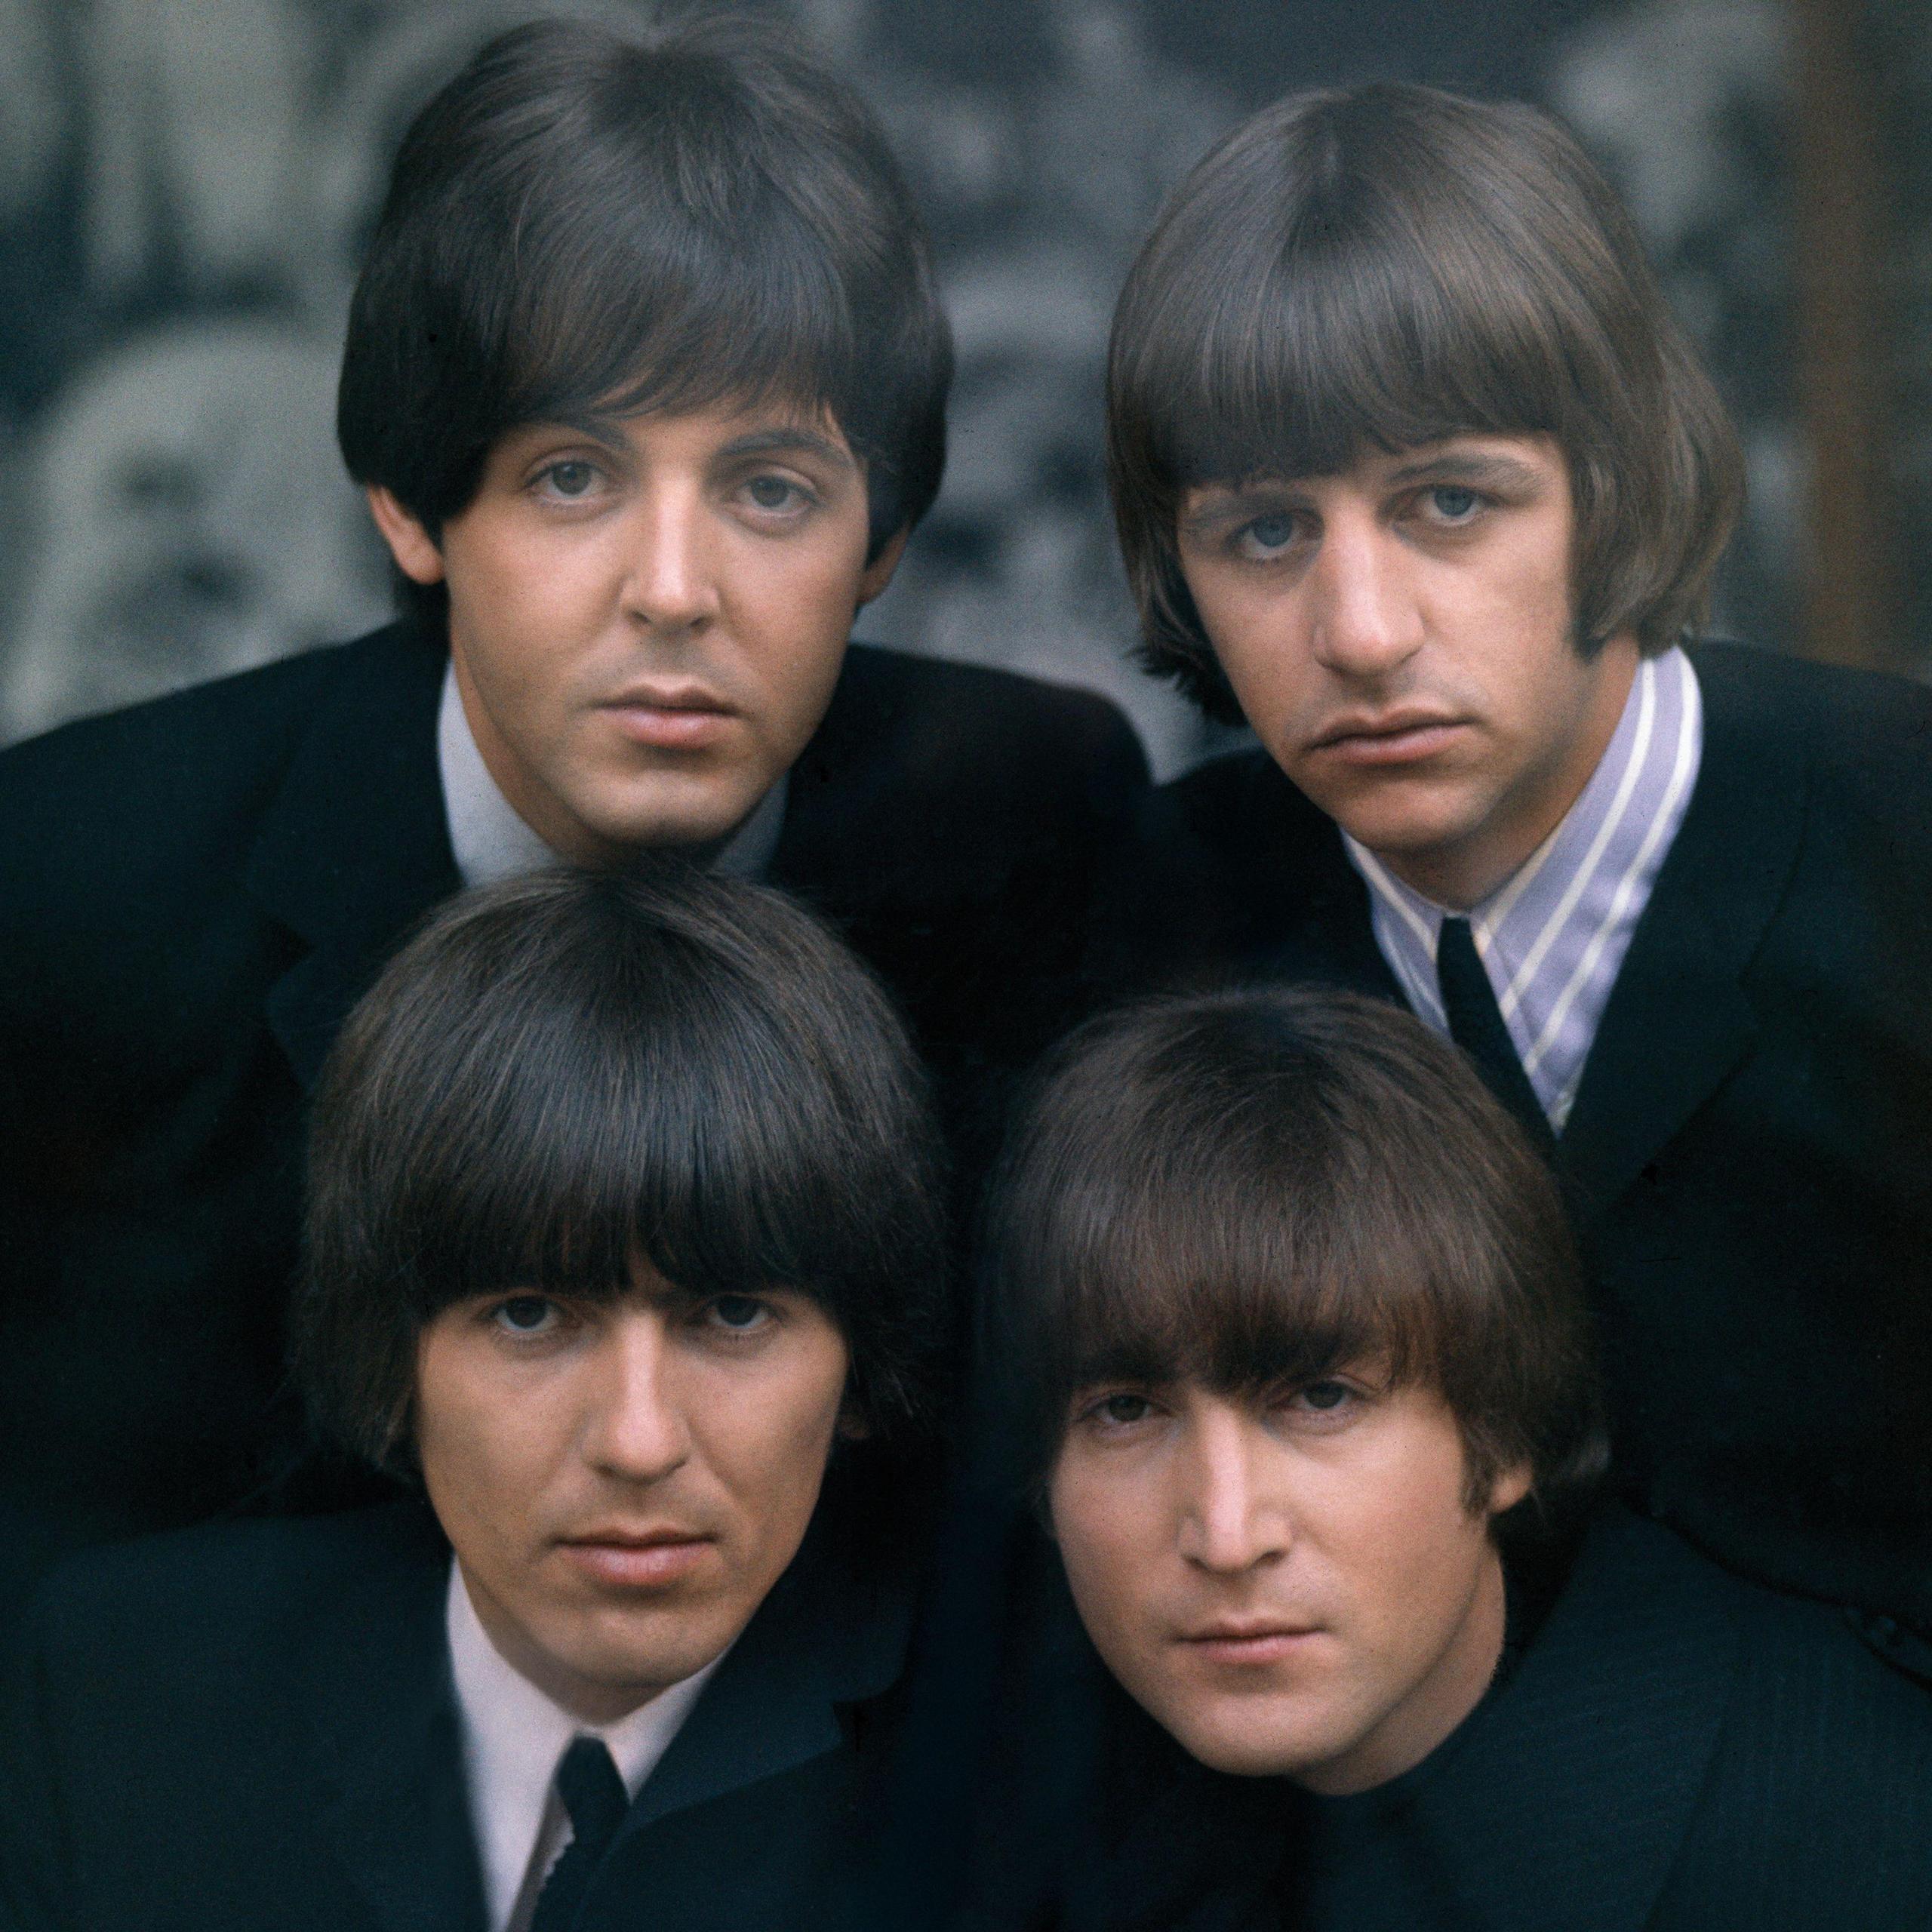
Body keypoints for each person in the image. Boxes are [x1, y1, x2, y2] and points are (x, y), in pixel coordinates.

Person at [0, 12, 1146, 1608]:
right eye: (569, 478)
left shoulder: (1032, 821)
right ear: (409, 502)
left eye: (768, 491)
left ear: (880, 539)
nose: (672, 593)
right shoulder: (77, 886)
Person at [1096, 81, 1932, 1651]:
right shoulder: (1155, 923)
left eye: (1448, 502)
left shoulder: (1905, 847)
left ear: (1609, 484)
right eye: (1265, 534)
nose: (1357, 629)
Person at [0, 866, 951, 1932]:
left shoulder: (1011, 1769)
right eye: (531, 1316)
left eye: (731, 1315)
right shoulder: (122, 1691)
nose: (638, 1443)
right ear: (392, 1354)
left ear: (860, 1363)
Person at [977, 986, 1932, 1931]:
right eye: (1126, 1410)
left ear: (1507, 1431)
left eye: (1320, 1397)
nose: (1226, 1535)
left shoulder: (1858, 1838)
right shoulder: (1029, 1841)